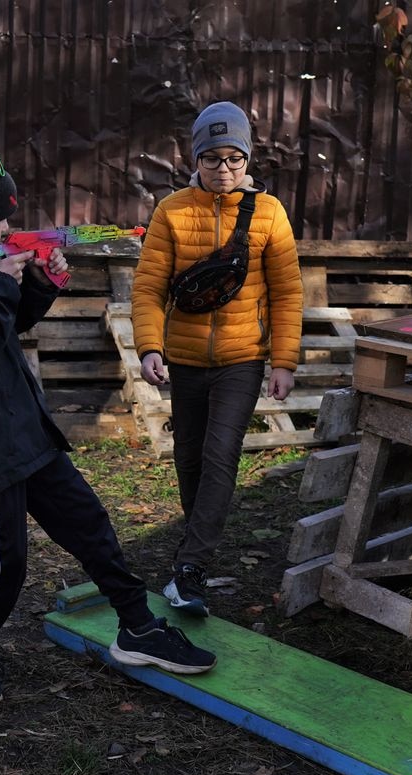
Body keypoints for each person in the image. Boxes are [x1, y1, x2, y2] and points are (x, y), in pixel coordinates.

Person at [0, 149, 216, 704]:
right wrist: (0, 284)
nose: (9, 226)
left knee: (88, 522)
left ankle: (139, 627)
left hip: (16, 423)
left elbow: (2, 330)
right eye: (2, 216)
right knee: (8, 557)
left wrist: (36, 286)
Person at [131, 101, 303, 617]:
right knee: (188, 457)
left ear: (248, 160)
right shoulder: (172, 211)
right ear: (196, 158)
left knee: (220, 454)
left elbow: (288, 292)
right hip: (182, 358)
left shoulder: (269, 214)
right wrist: (150, 346)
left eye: (235, 158)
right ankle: (195, 549)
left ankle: (192, 568)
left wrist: (283, 361)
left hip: (242, 359)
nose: (225, 169)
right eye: (213, 158)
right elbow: (148, 287)